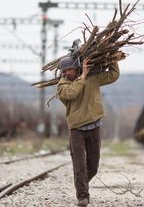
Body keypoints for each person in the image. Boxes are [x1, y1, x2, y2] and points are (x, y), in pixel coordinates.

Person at [57, 57, 119, 206]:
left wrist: (111, 57)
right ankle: (83, 196)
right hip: (76, 129)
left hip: (94, 126)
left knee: (93, 166)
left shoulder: (93, 78)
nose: (66, 73)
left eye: (69, 69)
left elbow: (113, 75)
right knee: (79, 165)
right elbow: (72, 93)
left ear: (76, 67)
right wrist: (83, 76)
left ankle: (82, 184)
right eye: (64, 71)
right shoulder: (62, 85)